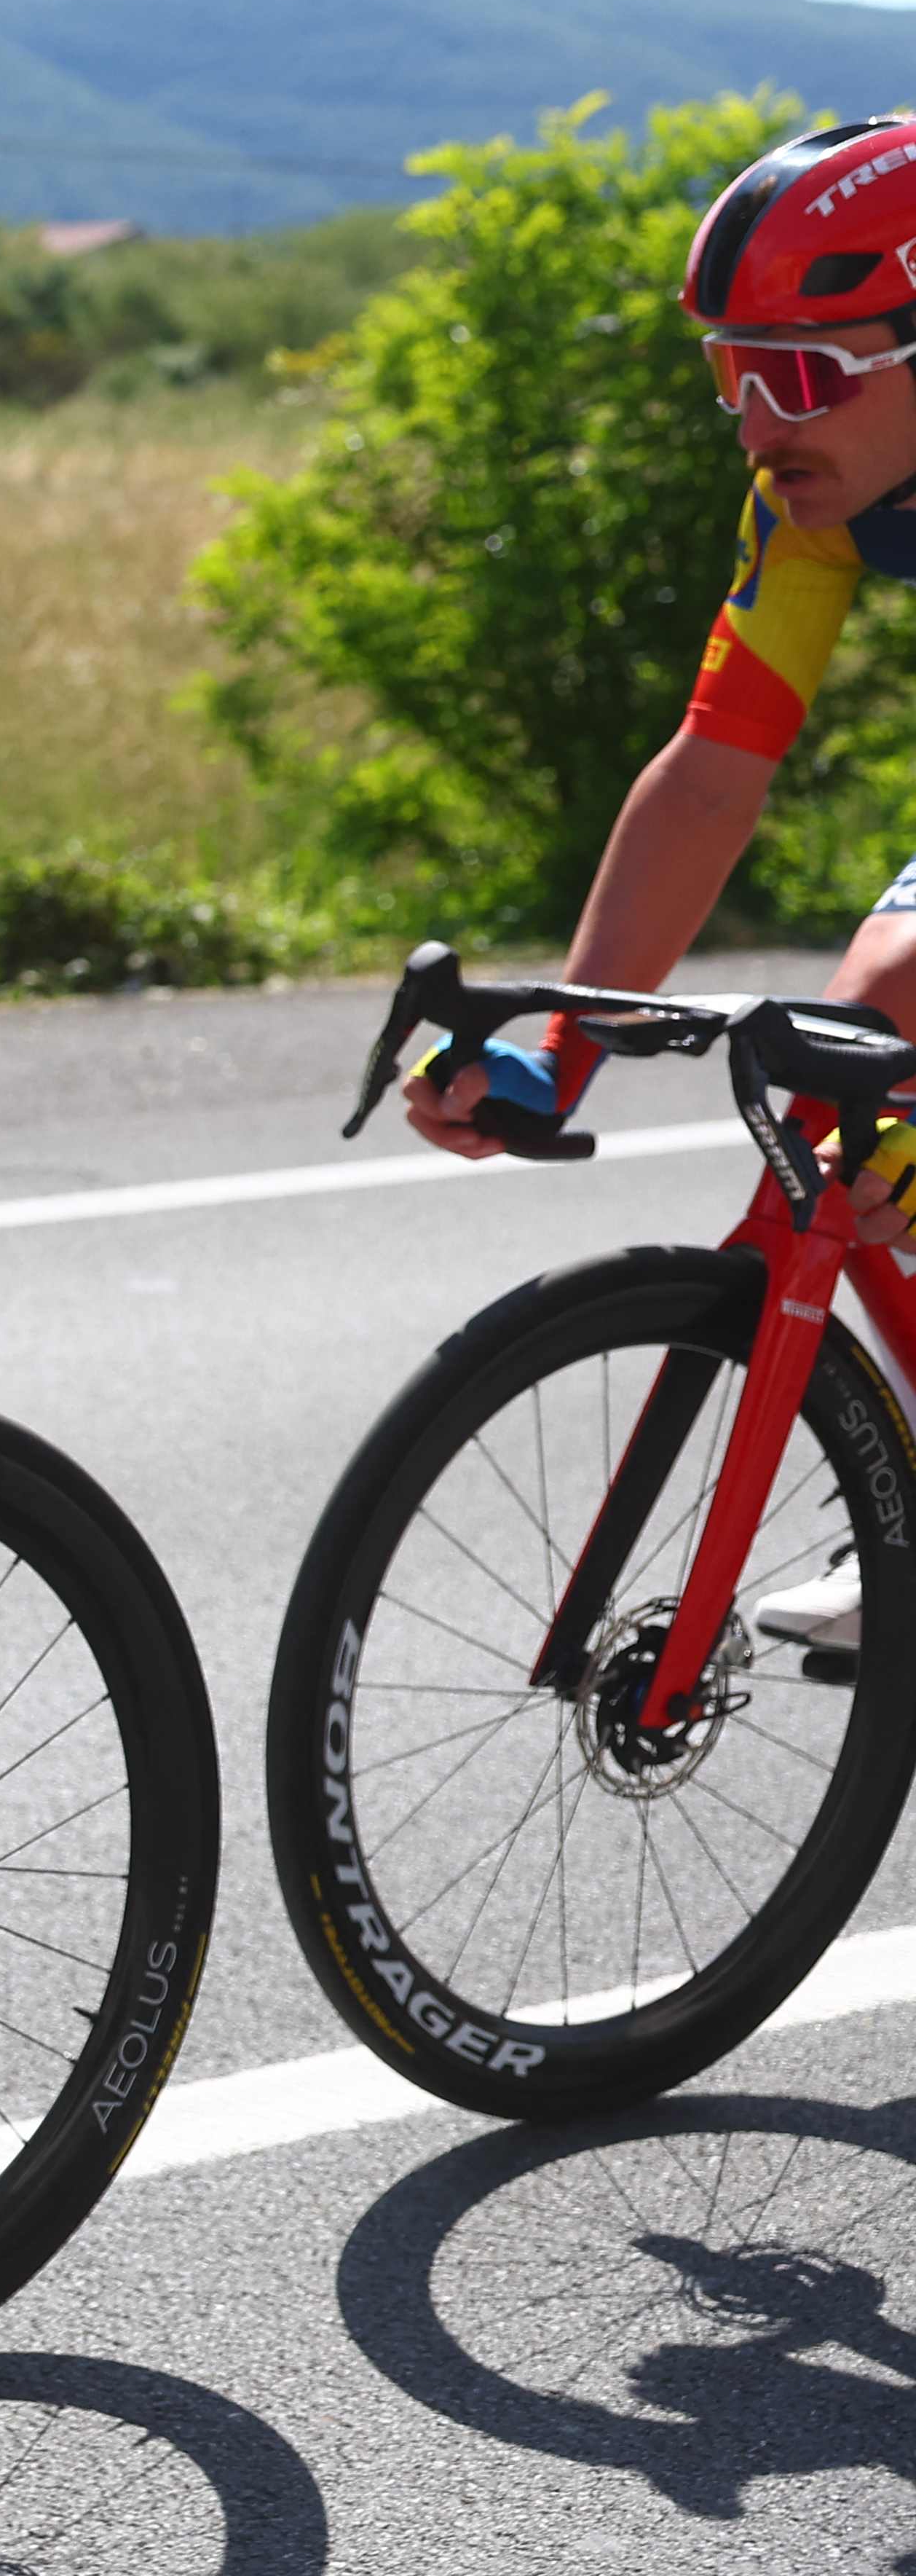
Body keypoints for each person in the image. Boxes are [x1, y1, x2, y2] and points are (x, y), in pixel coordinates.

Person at [406, 111, 916, 1662]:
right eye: (729, 373)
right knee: (867, 1067)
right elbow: (711, 770)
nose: (759, 422)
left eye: (802, 373)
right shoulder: (811, 506)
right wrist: (566, 1028)